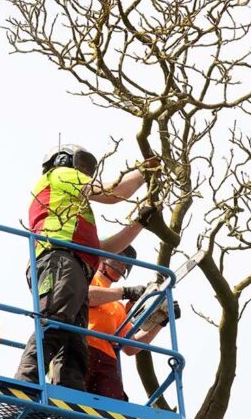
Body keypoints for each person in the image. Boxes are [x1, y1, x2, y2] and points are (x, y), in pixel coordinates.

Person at [14, 143, 159, 393]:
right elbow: (114, 192)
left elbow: (105, 248)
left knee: (74, 341)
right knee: (56, 320)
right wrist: (146, 171)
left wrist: (140, 223)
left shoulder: (74, 211)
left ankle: (70, 397)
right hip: (58, 259)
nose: (85, 176)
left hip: (75, 266)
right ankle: (25, 383)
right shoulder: (60, 174)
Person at [83, 246, 178, 401]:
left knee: (113, 407)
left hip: (107, 360)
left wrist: (161, 321)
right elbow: (85, 295)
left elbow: (131, 346)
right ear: (102, 259)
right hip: (78, 347)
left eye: (125, 264)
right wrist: (125, 291)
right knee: (68, 398)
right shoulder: (86, 277)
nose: (121, 265)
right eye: (118, 259)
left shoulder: (118, 307)